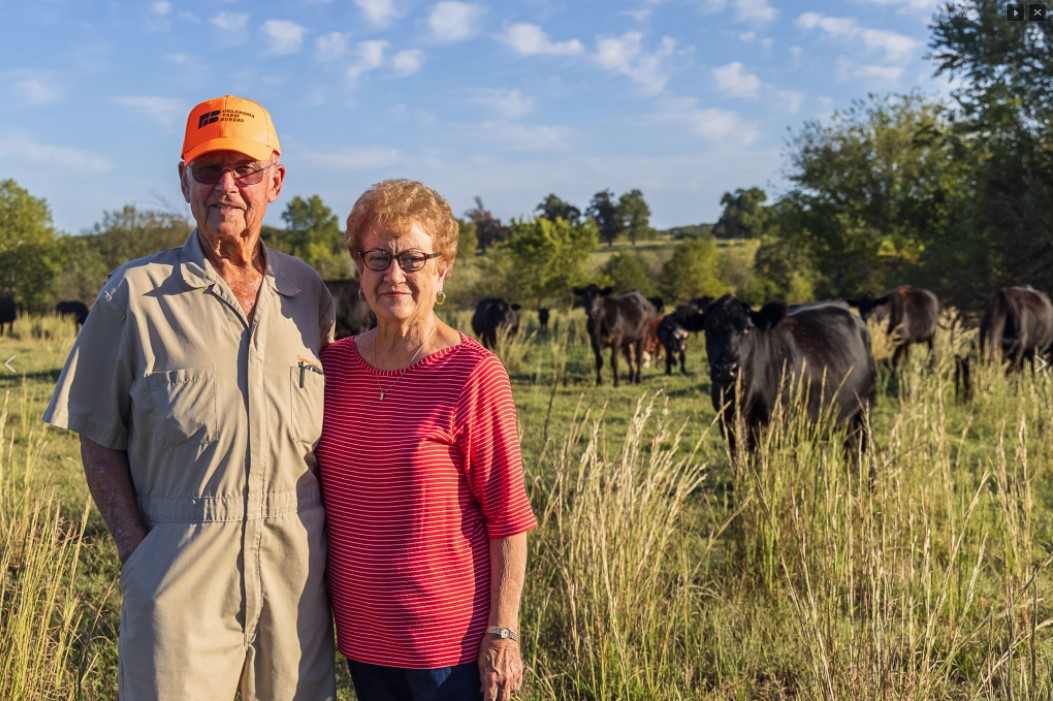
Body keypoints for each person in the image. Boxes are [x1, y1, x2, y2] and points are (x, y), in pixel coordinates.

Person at [43, 95, 337, 700]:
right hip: (180, 581)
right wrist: (139, 557)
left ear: (275, 180)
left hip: (296, 585)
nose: (226, 186)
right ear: (184, 182)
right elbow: (98, 438)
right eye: (208, 169)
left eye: (245, 170)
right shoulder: (134, 295)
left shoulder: (307, 293)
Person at [315, 179, 537, 701]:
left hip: (447, 648)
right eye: (378, 258)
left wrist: (503, 633)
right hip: (361, 637)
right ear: (360, 270)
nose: (394, 275)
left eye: (412, 259)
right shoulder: (334, 367)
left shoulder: (473, 374)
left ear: (443, 270)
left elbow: (508, 519)